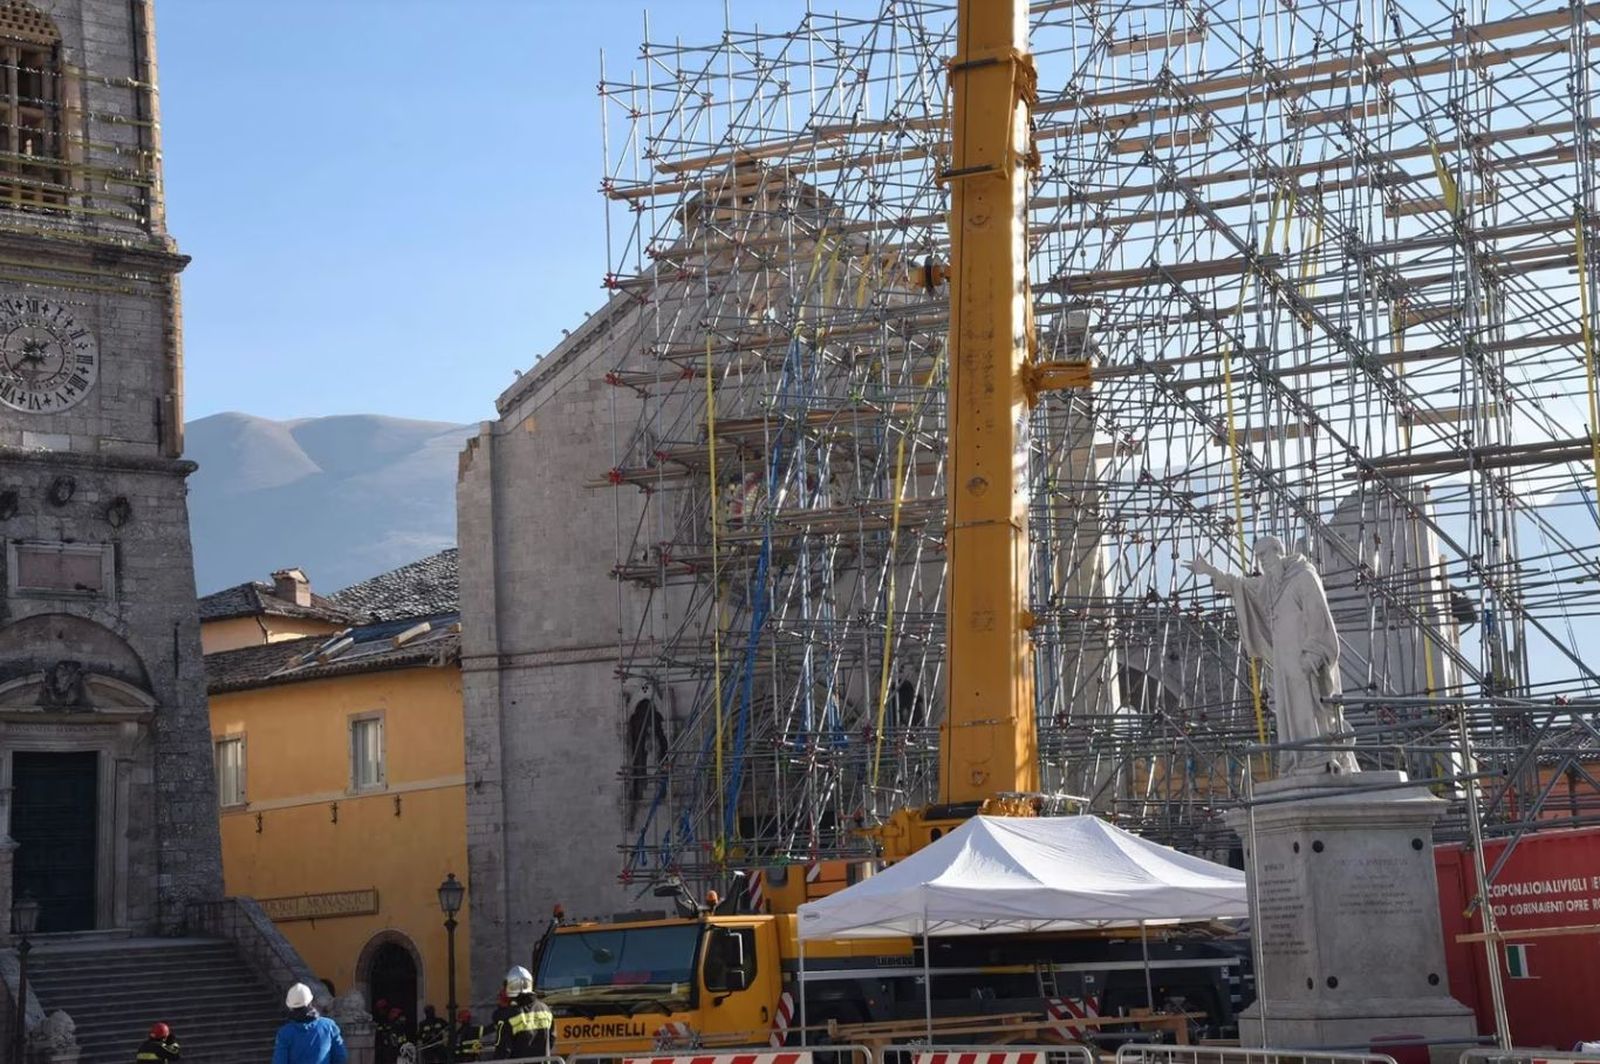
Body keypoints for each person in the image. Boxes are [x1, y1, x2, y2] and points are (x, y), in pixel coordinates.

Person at [1186, 535, 1360, 776]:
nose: (1262, 562)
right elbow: (1242, 585)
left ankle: (1320, 760)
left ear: (1278, 550)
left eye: (1265, 555)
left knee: (1312, 713)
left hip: (1306, 662)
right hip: (1284, 664)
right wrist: (1210, 571)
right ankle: (1299, 761)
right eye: (1258, 557)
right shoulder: (1272, 585)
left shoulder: (1303, 577)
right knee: (1291, 717)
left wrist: (1313, 655)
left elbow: (1319, 617)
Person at [272, 983, 347, 1064]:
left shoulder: (284, 1033)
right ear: (310, 1002)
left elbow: (279, 1061)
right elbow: (340, 1057)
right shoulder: (329, 1026)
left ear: (290, 1007)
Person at [493, 966, 554, 1060]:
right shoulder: (546, 1010)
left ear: (511, 986)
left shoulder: (508, 1016)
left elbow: (502, 1052)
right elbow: (551, 1040)